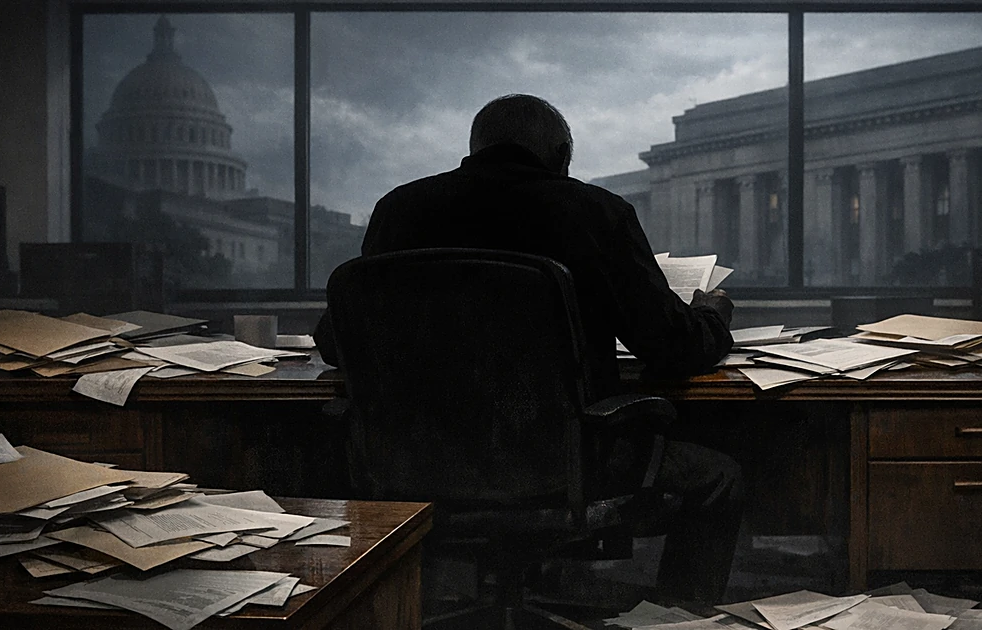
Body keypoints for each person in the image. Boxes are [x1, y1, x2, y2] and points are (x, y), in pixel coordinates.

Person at [315, 93, 743, 603]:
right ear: (561, 157)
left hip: (416, 463)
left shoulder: (398, 211)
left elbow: (336, 343)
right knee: (721, 480)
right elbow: (675, 349)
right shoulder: (595, 212)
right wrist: (713, 311)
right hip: (571, 467)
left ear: (473, 151)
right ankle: (678, 621)